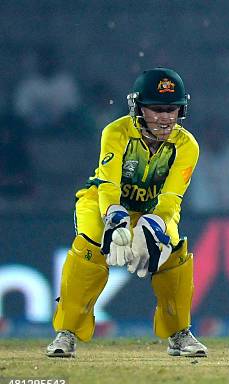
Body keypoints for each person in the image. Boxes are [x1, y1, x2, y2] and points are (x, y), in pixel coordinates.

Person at [46, 67, 207, 358]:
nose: (164, 118)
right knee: (91, 249)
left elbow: (172, 197)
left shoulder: (186, 145)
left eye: (171, 109)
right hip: (102, 203)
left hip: (153, 210)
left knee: (173, 255)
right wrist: (115, 219)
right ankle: (66, 332)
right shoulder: (116, 132)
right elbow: (107, 183)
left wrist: (153, 226)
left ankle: (179, 334)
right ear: (138, 108)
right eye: (156, 109)